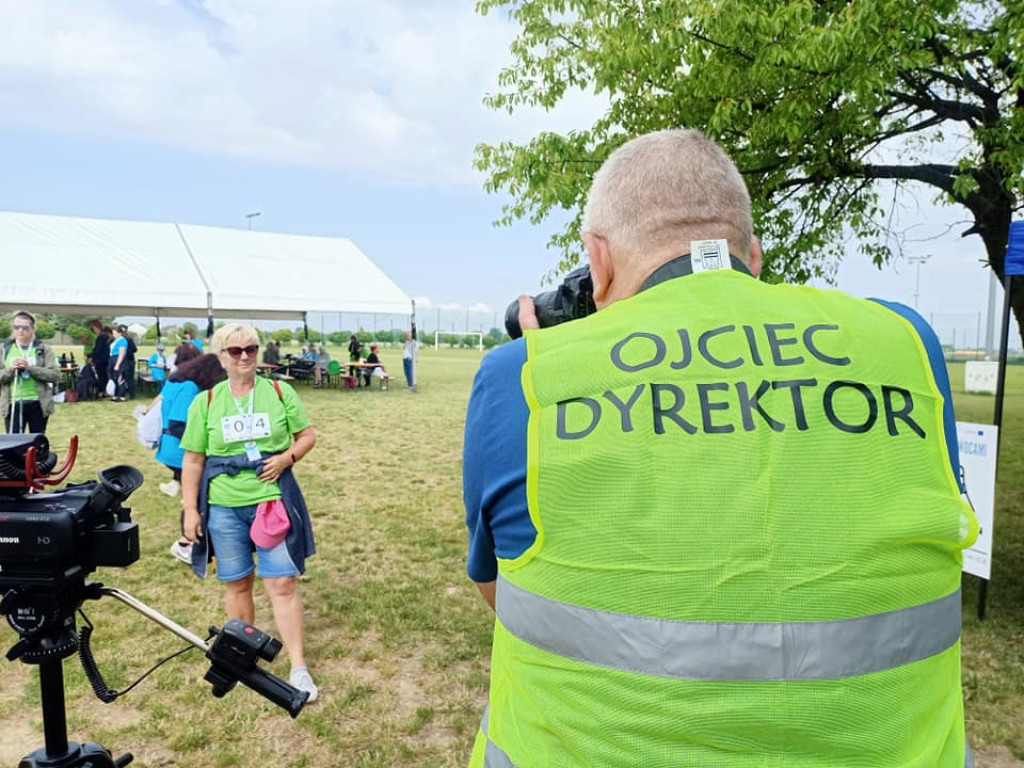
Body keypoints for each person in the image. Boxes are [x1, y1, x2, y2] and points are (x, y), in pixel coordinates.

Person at [462, 130, 978, 767]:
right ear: (753, 257)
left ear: (598, 261)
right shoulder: (908, 343)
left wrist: (549, 355)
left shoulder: (520, 377)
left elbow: (502, 588)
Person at [180, 324, 319, 702]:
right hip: (224, 505)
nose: (244, 356)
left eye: (251, 349)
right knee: (238, 581)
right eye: (235, 350)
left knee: (282, 584)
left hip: (270, 501)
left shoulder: (279, 391)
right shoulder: (206, 402)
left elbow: (307, 434)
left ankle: (299, 668)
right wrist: (190, 509)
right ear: (221, 358)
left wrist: (287, 458)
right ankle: (243, 657)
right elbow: (193, 460)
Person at [147, 353, 227, 563]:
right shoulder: (190, 388)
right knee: (197, 498)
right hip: (179, 451)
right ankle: (186, 544)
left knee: (194, 495)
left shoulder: (174, 381)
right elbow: (178, 423)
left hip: (170, 449)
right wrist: (205, 442)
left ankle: (195, 542)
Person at [0, 311, 60, 433]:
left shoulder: (43, 349)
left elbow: (55, 375)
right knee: (14, 445)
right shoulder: (4, 350)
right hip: (13, 403)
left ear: (33, 329)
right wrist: (11, 370)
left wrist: (30, 368)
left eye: (25, 327)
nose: (20, 331)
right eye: (17, 327)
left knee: (37, 443)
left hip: (38, 403)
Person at [88, 320, 111, 396]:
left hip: (101, 361)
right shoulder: (104, 337)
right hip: (104, 360)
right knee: (104, 376)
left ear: (97, 328)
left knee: (101, 376)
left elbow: (98, 350)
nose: (93, 331)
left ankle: (102, 391)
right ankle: (105, 391)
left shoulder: (101, 338)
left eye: (93, 329)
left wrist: (91, 357)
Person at [108, 325, 130, 402]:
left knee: (120, 378)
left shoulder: (122, 340)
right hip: (112, 359)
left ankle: (121, 396)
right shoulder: (115, 341)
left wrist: (117, 364)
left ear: (120, 333)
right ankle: (115, 394)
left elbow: (122, 353)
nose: (113, 335)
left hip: (118, 360)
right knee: (114, 377)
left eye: (115, 333)